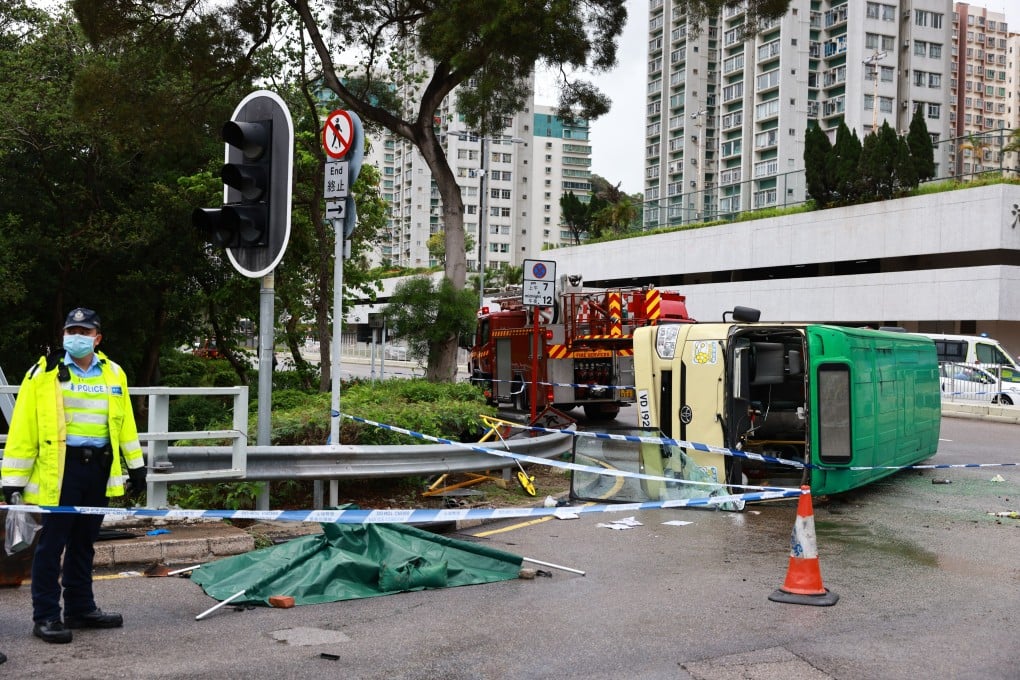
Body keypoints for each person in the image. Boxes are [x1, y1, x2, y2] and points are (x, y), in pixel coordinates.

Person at [1, 307, 146, 644]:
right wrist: (12, 481)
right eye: (71, 331)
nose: (76, 337)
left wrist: (136, 466)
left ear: (98, 338)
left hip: (98, 468)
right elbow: (23, 426)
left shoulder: (113, 373)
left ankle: (80, 609)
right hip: (60, 470)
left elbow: (124, 424)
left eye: (84, 331)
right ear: (64, 335)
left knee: (84, 544)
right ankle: (47, 616)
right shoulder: (44, 372)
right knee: (51, 546)